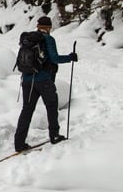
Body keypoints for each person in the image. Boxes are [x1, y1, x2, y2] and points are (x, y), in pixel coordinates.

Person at [14, 16, 78, 152]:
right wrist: (70, 57)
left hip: (26, 80)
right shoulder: (48, 39)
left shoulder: (27, 39)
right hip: (43, 80)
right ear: (49, 27)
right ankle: (54, 135)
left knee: (27, 109)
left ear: (38, 25)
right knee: (51, 105)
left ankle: (19, 143)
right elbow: (54, 58)